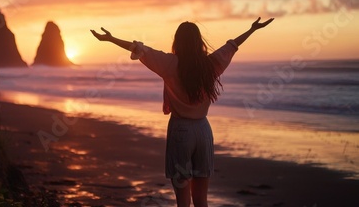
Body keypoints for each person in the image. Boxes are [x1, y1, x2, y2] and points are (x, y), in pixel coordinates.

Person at [90, 17, 274, 207]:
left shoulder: (169, 63)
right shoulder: (209, 65)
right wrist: (252, 29)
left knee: (183, 202)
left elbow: (138, 48)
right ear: (199, 41)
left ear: (177, 41)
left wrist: (111, 39)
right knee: (201, 200)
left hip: (181, 131)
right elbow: (232, 45)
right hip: (203, 131)